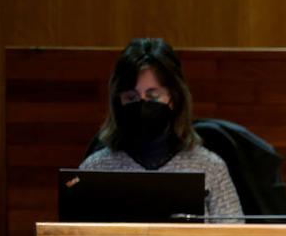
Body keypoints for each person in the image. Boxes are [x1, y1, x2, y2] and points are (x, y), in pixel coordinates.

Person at [81, 37, 243, 220]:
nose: (142, 105)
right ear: (119, 103)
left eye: (153, 96)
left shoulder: (210, 167)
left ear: (173, 98)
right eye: (131, 97)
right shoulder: (94, 169)